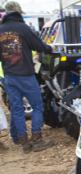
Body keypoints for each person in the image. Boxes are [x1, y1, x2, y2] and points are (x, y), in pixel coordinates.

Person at [0, 1, 54, 153]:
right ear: (18, 12)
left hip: (9, 77)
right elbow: (39, 46)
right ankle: (37, 139)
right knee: (37, 106)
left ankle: (24, 142)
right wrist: (50, 49)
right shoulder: (23, 28)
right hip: (26, 76)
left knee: (16, 109)